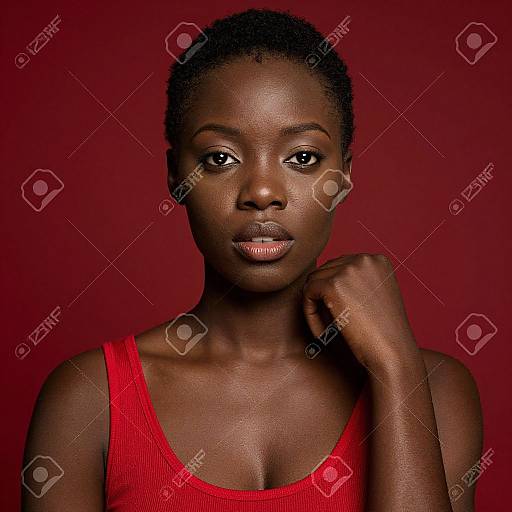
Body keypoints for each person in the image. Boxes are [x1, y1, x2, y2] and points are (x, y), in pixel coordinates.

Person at [21, 8, 483, 512]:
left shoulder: (432, 389)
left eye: (302, 157)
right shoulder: (90, 399)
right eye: (219, 158)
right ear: (176, 176)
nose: (262, 192)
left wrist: (394, 367)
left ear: (344, 175)